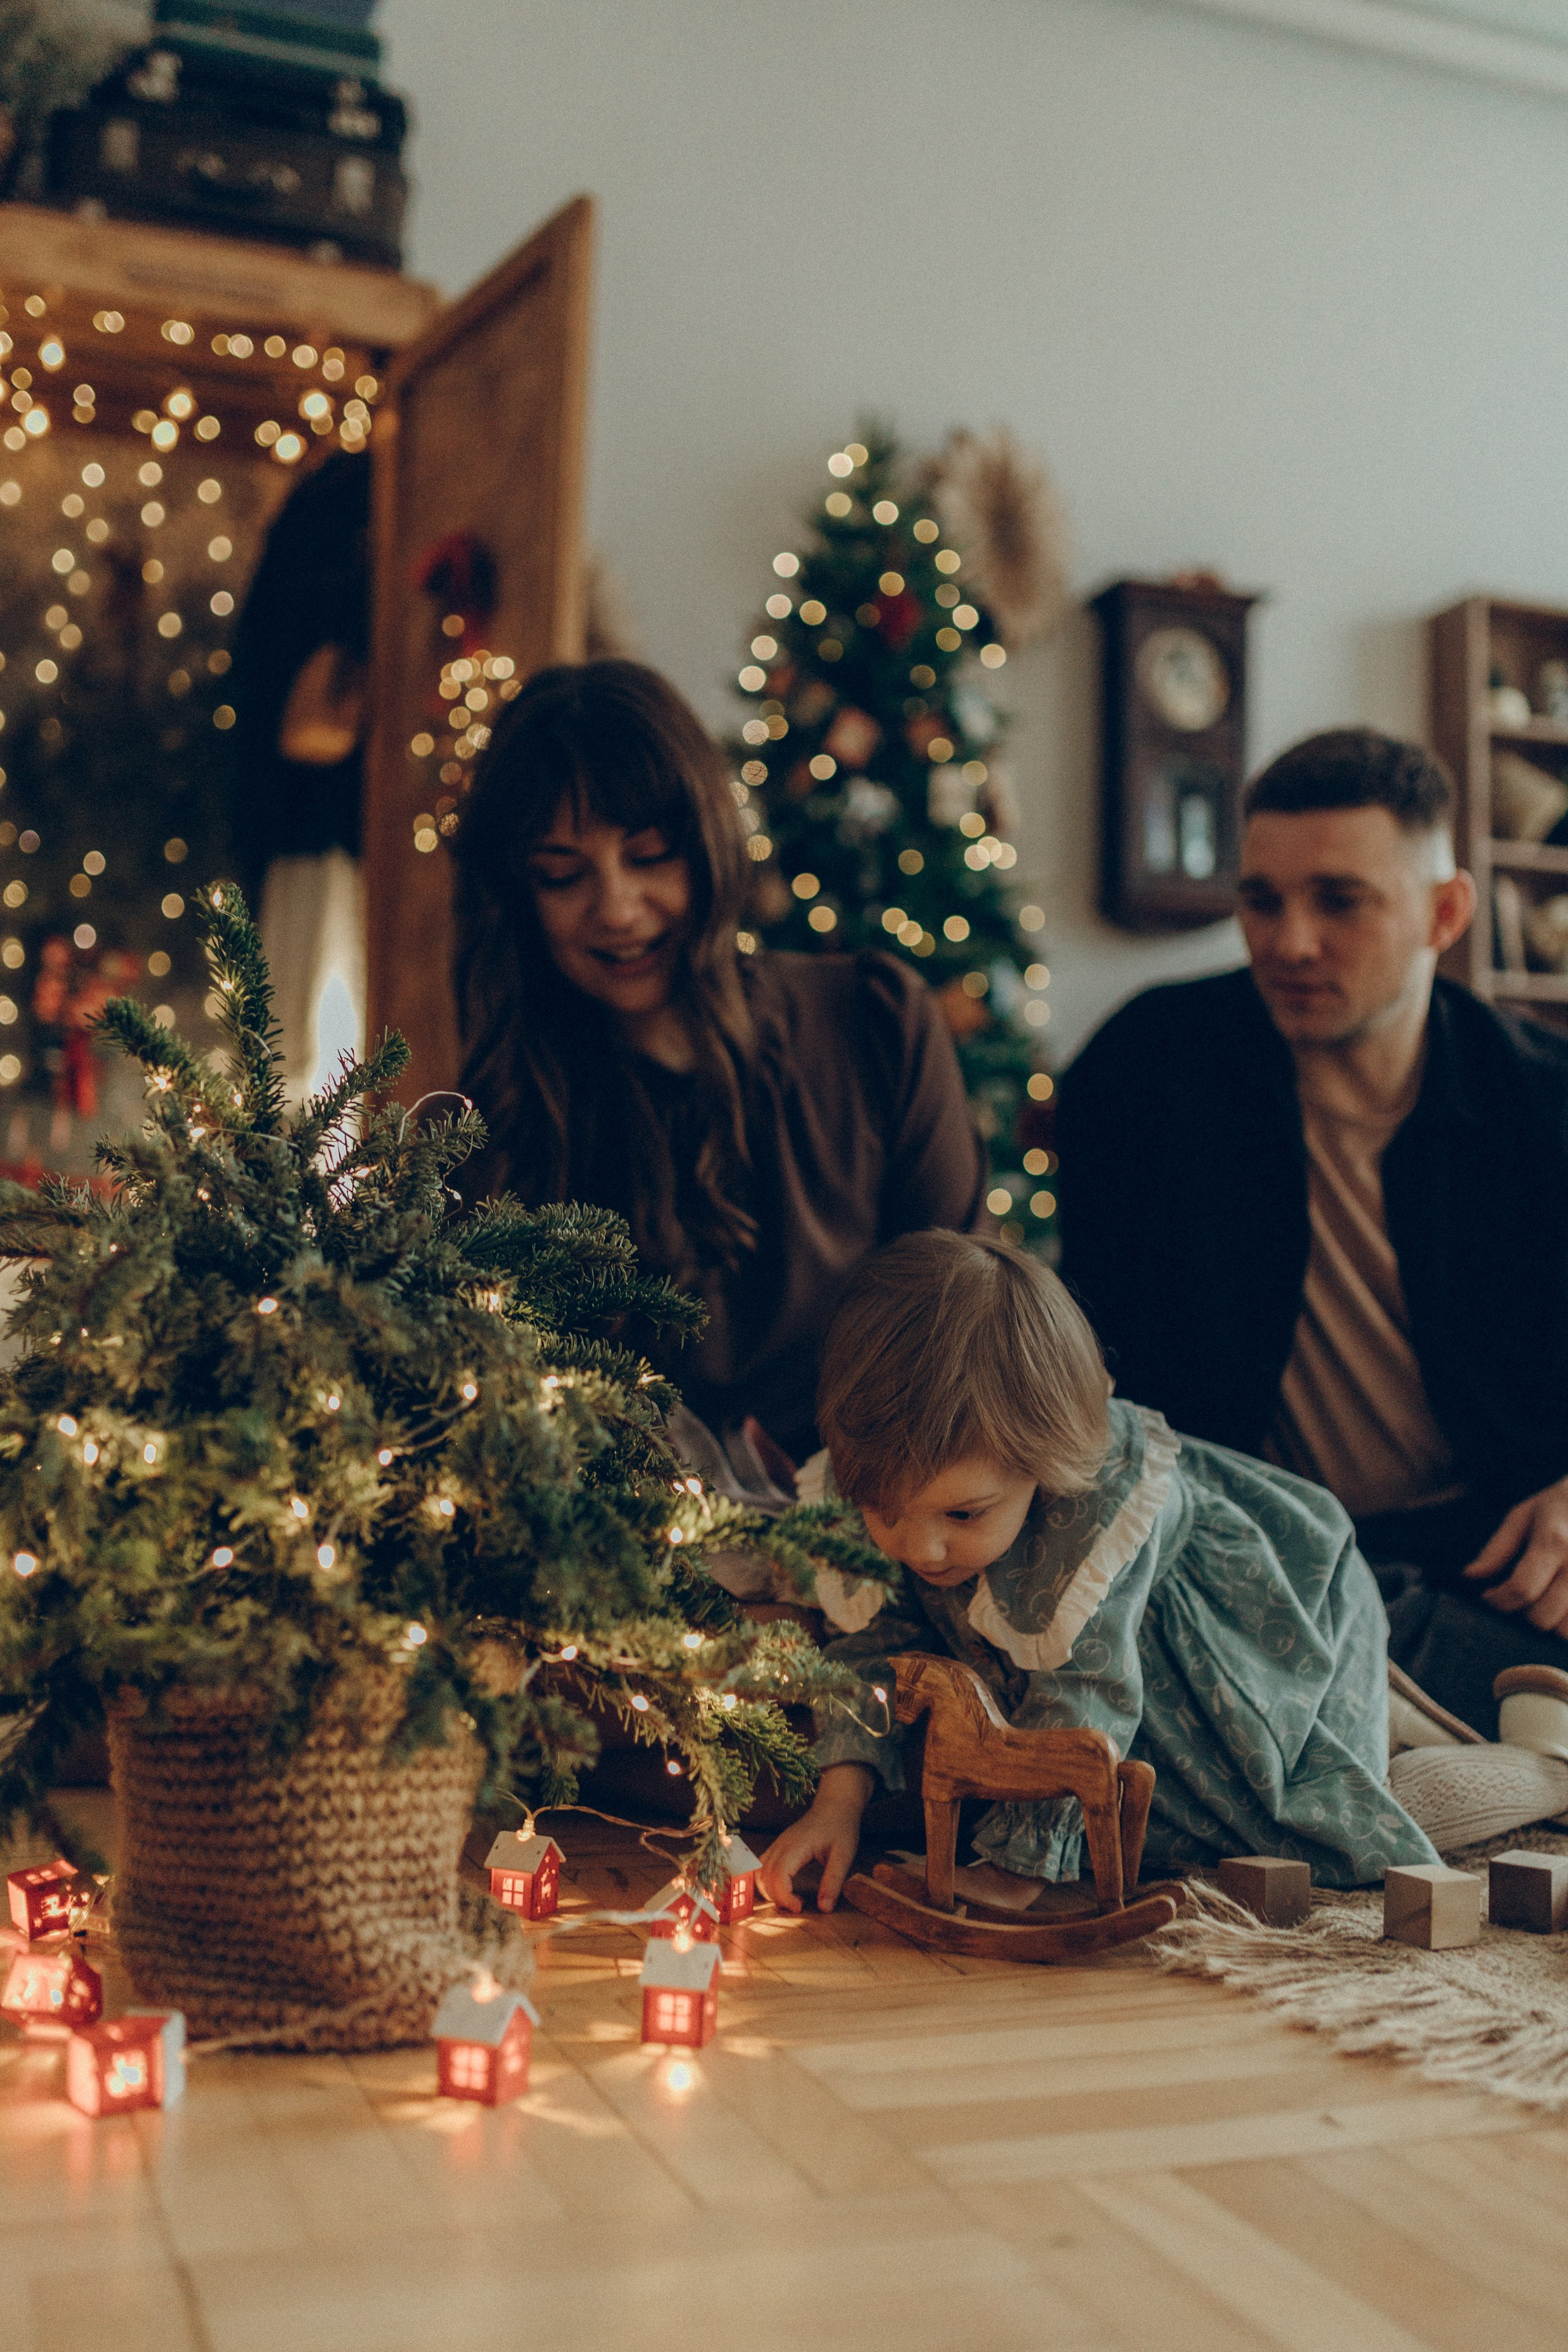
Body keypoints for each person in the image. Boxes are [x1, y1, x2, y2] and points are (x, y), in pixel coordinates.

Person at [1057, 727, 1568, 1739]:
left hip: (1486, 1572)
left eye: (1341, 901)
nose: (1290, 942)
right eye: (1261, 900)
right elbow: (1092, 1365)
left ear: (1445, 912)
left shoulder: (1544, 1108)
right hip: (1236, 1569)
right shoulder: (1148, 1068)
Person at [758, 1231, 1438, 1915]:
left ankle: (1445, 1745)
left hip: (1241, 1637)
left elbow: (1090, 1694)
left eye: (963, 1516)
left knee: (1292, 1803)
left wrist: (1023, 1870)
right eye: (885, 1512)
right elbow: (870, 1658)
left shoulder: (1094, 1512)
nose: (923, 1549)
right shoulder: (881, 1481)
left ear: (1039, 1466)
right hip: (1080, 1672)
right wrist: (837, 1805)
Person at [450, 658, 985, 1462]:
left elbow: (968, 1328)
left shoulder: (877, 1022)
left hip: (892, 1524)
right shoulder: (501, 1125)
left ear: (710, 845)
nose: (618, 910)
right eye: (563, 875)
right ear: (519, 897)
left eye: (652, 854)